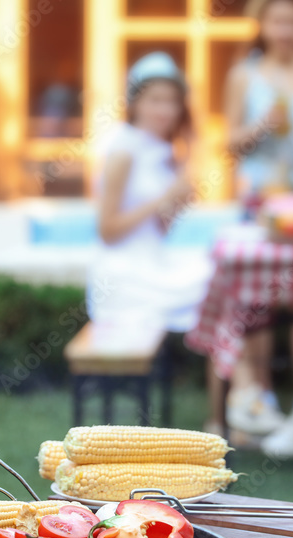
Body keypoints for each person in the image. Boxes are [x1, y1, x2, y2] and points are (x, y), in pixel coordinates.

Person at [222, 0, 293, 456]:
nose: (286, 29)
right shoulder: (244, 75)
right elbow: (230, 144)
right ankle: (263, 396)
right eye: (278, 20)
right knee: (259, 296)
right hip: (262, 198)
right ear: (263, 25)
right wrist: (259, 126)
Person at [88, 52, 212, 338]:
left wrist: (178, 202)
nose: (165, 110)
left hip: (152, 262)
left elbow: (160, 229)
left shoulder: (161, 151)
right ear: (134, 102)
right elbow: (107, 231)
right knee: (219, 283)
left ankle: (243, 379)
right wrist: (163, 199)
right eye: (155, 100)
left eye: (172, 101)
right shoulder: (122, 150)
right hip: (125, 278)